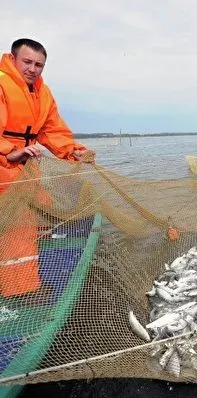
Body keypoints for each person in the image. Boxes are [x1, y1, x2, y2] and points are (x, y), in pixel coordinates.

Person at [0, 38, 94, 298]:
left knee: (35, 212)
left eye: (39, 65)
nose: (33, 69)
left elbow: (53, 131)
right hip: (5, 165)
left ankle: (24, 266)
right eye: (27, 62)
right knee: (15, 227)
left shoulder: (43, 93)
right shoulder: (1, 83)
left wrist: (73, 151)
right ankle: (19, 290)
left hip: (26, 168)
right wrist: (10, 151)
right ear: (13, 58)